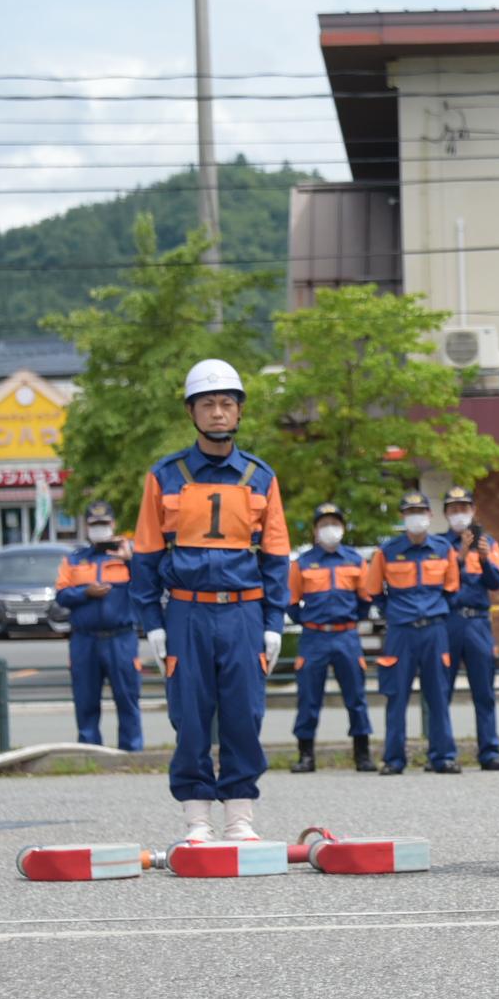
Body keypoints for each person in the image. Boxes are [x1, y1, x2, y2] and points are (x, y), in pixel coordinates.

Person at [130, 358, 291, 843]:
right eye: (208, 404)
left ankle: (239, 817)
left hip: (244, 610)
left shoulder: (261, 477)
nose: (218, 412)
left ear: (239, 412)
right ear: (192, 412)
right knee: (191, 713)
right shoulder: (165, 475)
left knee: (245, 712)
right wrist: (152, 623)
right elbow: (146, 553)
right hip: (185, 610)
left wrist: (274, 621)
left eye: (226, 403)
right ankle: (197, 819)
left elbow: (278, 554)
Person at [360, 491, 462, 775]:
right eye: (410, 512)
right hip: (400, 633)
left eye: (420, 511)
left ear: (430, 515)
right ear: (403, 517)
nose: (416, 517)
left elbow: (452, 590)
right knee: (396, 695)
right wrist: (395, 612)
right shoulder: (388, 551)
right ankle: (393, 759)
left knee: (439, 695)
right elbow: (373, 591)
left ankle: (443, 757)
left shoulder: (443, 549)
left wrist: (433, 611)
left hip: (434, 630)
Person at [288, 501, 374, 773]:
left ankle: (362, 755)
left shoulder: (355, 561)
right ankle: (306, 755)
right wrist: (308, 622)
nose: (330, 529)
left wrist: (351, 621)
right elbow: (290, 602)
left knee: (356, 697)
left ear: (343, 528)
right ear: (315, 530)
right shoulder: (301, 563)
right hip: (314, 638)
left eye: (334, 524)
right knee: (308, 698)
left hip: (346, 636)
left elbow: (366, 599)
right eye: (324, 524)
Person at [54, 500, 143, 752]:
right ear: (86, 527)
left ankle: (131, 753)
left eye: (104, 524)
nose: (100, 529)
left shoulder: (128, 556)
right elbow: (61, 595)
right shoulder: (74, 560)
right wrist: (86, 592)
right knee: (85, 701)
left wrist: (130, 561)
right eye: (95, 524)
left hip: (121, 638)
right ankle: (89, 752)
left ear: (113, 525)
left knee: (127, 699)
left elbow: (148, 587)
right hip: (85, 640)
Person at [437, 485, 499, 771]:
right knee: (442, 691)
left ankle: (489, 752)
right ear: (445, 514)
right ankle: (443, 754)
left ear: (473, 511)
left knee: (484, 690)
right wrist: (459, 557)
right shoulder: (438, 546)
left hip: (478, 621)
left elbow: (498, 582)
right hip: (449, 621)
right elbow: (439, 585)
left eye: (463, 508)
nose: (459, 514)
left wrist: (481, 557)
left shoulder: (488, 543)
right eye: (453, 509)